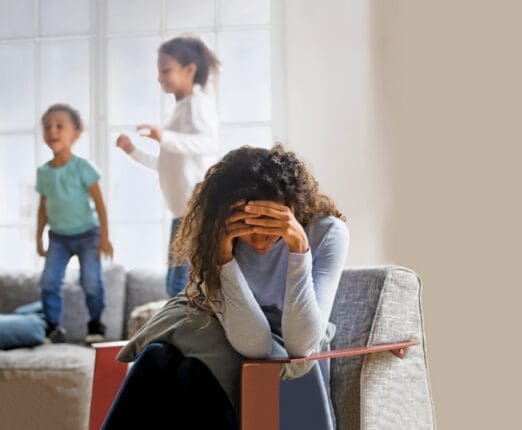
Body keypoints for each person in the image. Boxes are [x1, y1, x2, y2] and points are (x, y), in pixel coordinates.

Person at [102, 145, 350, 430]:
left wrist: (299, 251)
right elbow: (254, 342)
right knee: (158, 357)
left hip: (283, 353)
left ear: (291, 208)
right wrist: (223, 260)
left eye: (268, 222)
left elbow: (301, 345)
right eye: (246, 224)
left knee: (191, 373)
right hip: (225, 328)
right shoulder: (215, 237)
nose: (257, 238)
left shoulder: (326, 232)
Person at [116, 36, 220, 297]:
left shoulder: (197, 104)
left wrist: (163, 137)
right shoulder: (177, 111)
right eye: (159, 71)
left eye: (166, 70)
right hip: (181, 212)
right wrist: (133, 152)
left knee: (179, 284)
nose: (160, 78)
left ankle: (179, 332)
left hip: (196, 209)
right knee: (174, 283)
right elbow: (165, 164)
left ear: (189, 70)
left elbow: (209, 143)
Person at [36, 104, 113, 344]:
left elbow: (100, 204)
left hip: (88, 234)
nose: (52, 131)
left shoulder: (83, 167)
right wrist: (39, 238)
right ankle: (52, 327)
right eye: (47, 126)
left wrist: (104, 237)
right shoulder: (44, 173)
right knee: (48, 282)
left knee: (90, 281)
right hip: (58, 237)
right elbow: (42, 208)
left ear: (76, 134)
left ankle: (95, 323)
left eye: (60, 126)